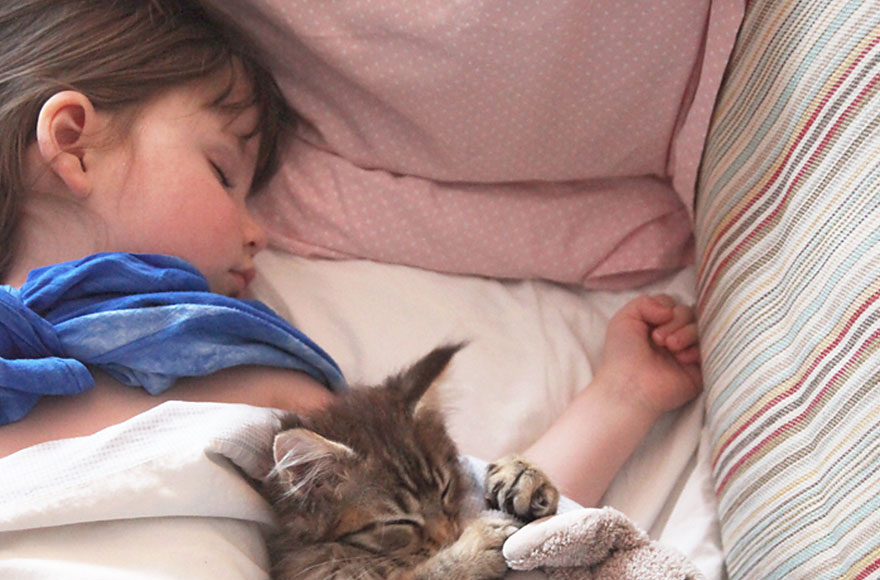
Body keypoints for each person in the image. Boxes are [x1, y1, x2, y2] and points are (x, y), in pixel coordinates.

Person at [0, 0, 701, 510]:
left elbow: (465, 536)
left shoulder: (249, 369)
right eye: (222, 173)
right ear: (74, 140)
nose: (258, 233)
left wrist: (623, 398)